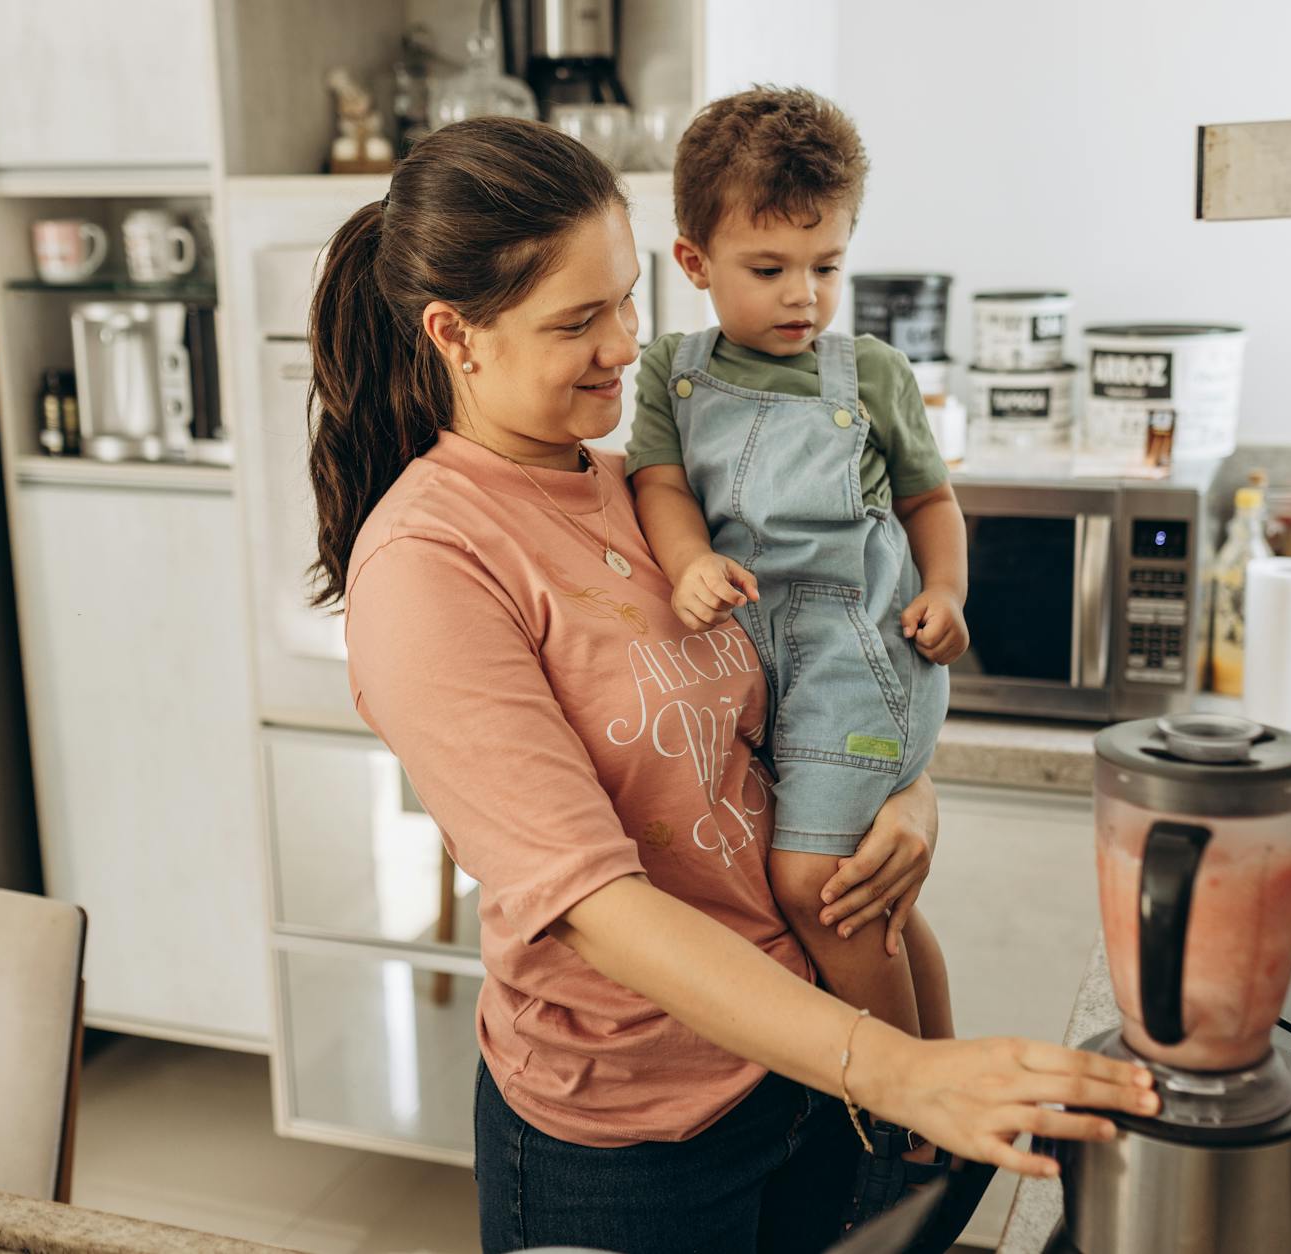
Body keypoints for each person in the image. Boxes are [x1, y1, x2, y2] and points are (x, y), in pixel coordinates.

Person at [307, 116, 1157, 1254]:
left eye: (626, 300)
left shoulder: (648, 482)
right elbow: (592, 906)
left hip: (802, 1066)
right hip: (631, 1137)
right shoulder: (428, 566)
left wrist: (907, 797)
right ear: (455, 334)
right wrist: (899, 1069)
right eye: (576, 321)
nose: (621, 346)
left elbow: (825, 671)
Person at [626, 87, 966, 1217]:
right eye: (768, 266)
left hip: (860, 657)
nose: (802, 296)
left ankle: (909, 1114)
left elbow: (930, 505)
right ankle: (942, 1079)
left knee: (811, 883)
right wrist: (684, 566)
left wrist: (950, 596)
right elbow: (662, 490)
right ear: (692, 257)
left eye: (825, 264)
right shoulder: (666, 377)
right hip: (762, 668)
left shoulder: (866, 375)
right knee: (876, 897)